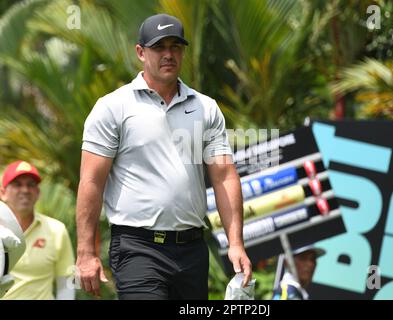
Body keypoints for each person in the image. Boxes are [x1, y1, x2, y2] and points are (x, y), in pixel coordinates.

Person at [76, 13, 252, 300]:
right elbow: (91, 181)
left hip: (192, 249)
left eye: (175, 46)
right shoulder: (113, 107)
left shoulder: (205, 108)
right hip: (137, 248)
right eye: (159, 47)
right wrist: (86, 253)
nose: (168, 54)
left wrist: (236, 243)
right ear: (140, 52)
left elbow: (224, 176)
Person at [0, 160, 75, 300]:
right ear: (3, 193)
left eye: (31, 185)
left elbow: (66, 281)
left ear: (38, 192)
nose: (25, 190)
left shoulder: (56, 229)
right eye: (17, 184)